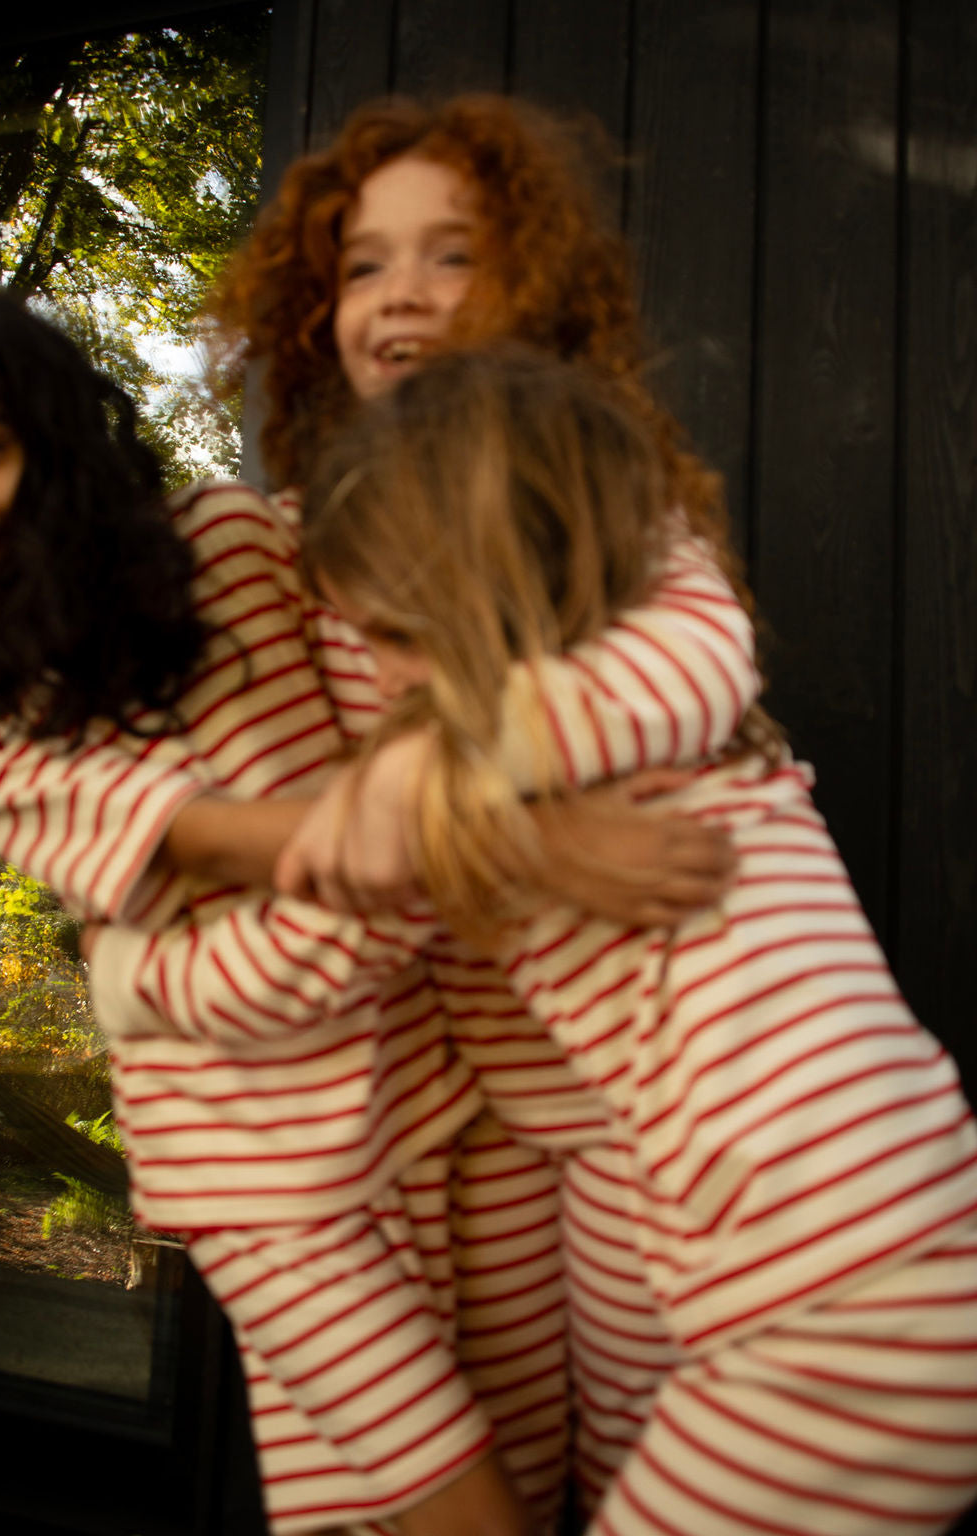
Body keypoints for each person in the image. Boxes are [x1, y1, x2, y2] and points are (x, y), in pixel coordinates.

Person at [0, 274, 751, 1536]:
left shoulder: (226, 535)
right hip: (264, 1174)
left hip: (444, 1087)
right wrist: (541, 832)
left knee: (553, 1472)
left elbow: (412, 663)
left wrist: (551, 742)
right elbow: (298, 844)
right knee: (449, 1511)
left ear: (47, 423)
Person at [285, 345, 977, 1536]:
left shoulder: (583, 722)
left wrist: (400, 773)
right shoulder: (648, 717)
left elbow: (330, 858)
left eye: (394, 633)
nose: (375, 669)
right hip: (862, 1257)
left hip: (845, 1300)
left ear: (491, 584)